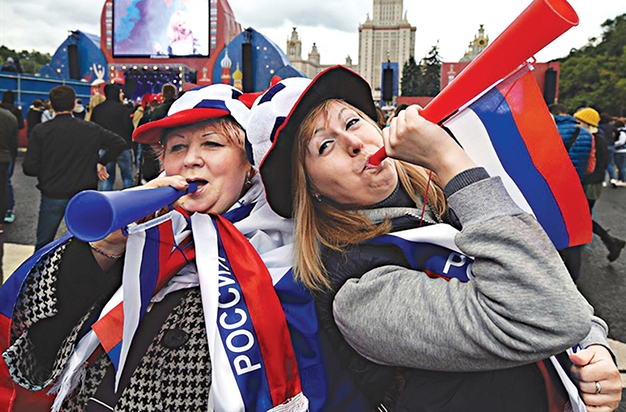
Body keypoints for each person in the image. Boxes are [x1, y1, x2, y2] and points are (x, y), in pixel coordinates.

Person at [252, 66, 622, 412]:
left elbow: (553, 284)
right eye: (324, 146)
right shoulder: (356, 291)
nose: (353, 142)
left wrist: (593, 347)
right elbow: (551, 316)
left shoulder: (446, 202)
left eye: (352, 122)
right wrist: (448, 158)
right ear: (310, 188)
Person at [2, 84, 368, 412]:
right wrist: (103, 248)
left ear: (250, 166)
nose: (191, 159)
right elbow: (36, 328)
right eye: (178, 147)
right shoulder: (145, 233)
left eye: (212, 143)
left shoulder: (292, 247)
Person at [22, 86, 127, 250]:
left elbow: (29, 167)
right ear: (73, 105)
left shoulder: (41, 130)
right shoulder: (89, 129)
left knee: (44, 242)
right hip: (83, 193)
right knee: (85, 241)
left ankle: (38, 273)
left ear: (51, 105)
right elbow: (119, 143)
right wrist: (101, 161)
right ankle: (79, 273)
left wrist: (47, 168)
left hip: (53, 191)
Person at [548, 103, 594, 280]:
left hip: (552, 190)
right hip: (576, 190)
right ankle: (573, 279)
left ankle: (553, 280)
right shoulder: (586, 134)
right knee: (573, 237)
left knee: (548, 234)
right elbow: (590, 167)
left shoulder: (549, 130)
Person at [574, 107, 626, 262]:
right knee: (583, 217)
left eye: (579, 122)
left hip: (590, 185)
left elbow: (601, 164)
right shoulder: (595, 138)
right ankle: (610, 242)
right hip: (592, 184)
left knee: (582, 217)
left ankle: (611, 241)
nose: (576, 125)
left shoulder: (596, 140)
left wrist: (584, 180)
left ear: (587, 123)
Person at [90, 84, 135, 191]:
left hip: (105, 147)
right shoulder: (123, 109)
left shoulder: (98, 109)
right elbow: (129, 127)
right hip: (123, 147)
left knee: (106, 177)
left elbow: (93, 128)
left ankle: (105, 201)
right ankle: (127, 201)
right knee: (127, 177)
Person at [1, 90, 25, 225]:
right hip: (8, 152)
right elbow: (21, 125)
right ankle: (9, 209)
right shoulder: (13, 113)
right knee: (6, 182)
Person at [0, 107, 17, 240]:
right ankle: (4, 215)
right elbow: (13, 144)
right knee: (4, 186)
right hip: (4, 157)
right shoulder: (9, 117)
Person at [610, 118, 626, 187]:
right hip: (624, 150)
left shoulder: (622, 132)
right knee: (621, 166)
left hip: (621, 151)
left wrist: (614, 144)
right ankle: (620, 179)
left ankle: (622, 180)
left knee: (621, 166)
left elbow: (621, 142)